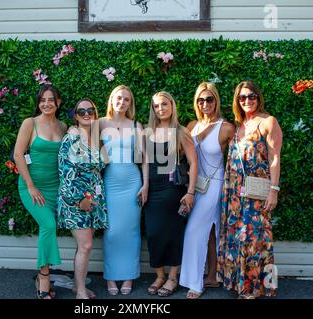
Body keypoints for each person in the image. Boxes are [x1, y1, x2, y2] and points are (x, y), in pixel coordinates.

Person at [217, 80, 282, 299]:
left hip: (257, 191)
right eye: (242, 97)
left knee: (256, 239)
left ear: (258, 97)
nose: (247, 101)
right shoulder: (239, 125)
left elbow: (274, 158)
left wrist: (273, 189)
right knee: (237, 237)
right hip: (235, 192)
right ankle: (240, 284)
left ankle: (255, 288)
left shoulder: (268, 121)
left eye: (251, 96)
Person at [179, 82, 235, 299]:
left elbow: (237, 160)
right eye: (200, 100)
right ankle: (213, 275)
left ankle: (195, 283)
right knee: (210, 232)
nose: (205, 103)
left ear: (216, 101)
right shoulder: (191, 125)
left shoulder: (227, 128)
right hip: (194, 185)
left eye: (209, 99)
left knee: (194, 230)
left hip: (214, 185)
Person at [14, 84, 67, 299]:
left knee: (49, 227)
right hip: (32, 187)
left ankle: (42, 275)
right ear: (38, 103)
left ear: (58, 103)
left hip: (56, 188)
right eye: (42, 100)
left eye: (51, 99)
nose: (46, 104)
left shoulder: (63, 126)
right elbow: (18, 155)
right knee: (48, 225)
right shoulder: (30, 123)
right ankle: (44, 276)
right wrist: (30, 186)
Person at [143, 91, 198, 297]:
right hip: (153, 191)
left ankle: (173, 277)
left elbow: (193, 164)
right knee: (153, 233)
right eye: (156, 106)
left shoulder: (181, 131)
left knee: (173, 234)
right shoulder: (148, 131)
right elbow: (146, 162)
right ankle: (159, 275)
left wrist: (191, 192)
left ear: (172, 106)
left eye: (164, 104)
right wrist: (145, 185)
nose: (160, 109)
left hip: (173, 189)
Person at [99, 85, 149, 296]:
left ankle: (128, 276)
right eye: (118, 98)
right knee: (111, 231)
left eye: (126, 99)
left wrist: (146, 184)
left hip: (132, 183)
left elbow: (145, 158)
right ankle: (111, 277)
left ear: (131, 103)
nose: (122, 102)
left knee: (131, 231)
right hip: (109, 182)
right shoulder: (100, 123)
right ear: (112, 99)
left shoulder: (137, 125)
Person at [57, 98, 108, 299]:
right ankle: (80, 292)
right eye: (81, 111)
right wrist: (80, 201)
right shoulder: (71, 138)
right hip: (76, 200)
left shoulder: (95, 137)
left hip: (94, 200)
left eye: (90, 110)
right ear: (75, 116)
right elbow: (65, 171)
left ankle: (78, 286)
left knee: (84, 247)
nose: (87, 113)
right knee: (85, 245)